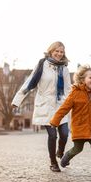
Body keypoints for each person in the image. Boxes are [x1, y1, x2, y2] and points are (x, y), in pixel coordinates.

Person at [12, 41, 71, 172]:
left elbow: (68, 89)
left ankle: (60, 151)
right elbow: (30, 82)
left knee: (65, 134)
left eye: (61, 52)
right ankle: (53, 162)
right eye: (57, 51)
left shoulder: (65, 68)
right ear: (51, 51)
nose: (59, 54)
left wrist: (72, 104)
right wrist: (17, 100)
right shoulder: (42, 65)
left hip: (61, 105)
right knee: (52, 135)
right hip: (45, 105)